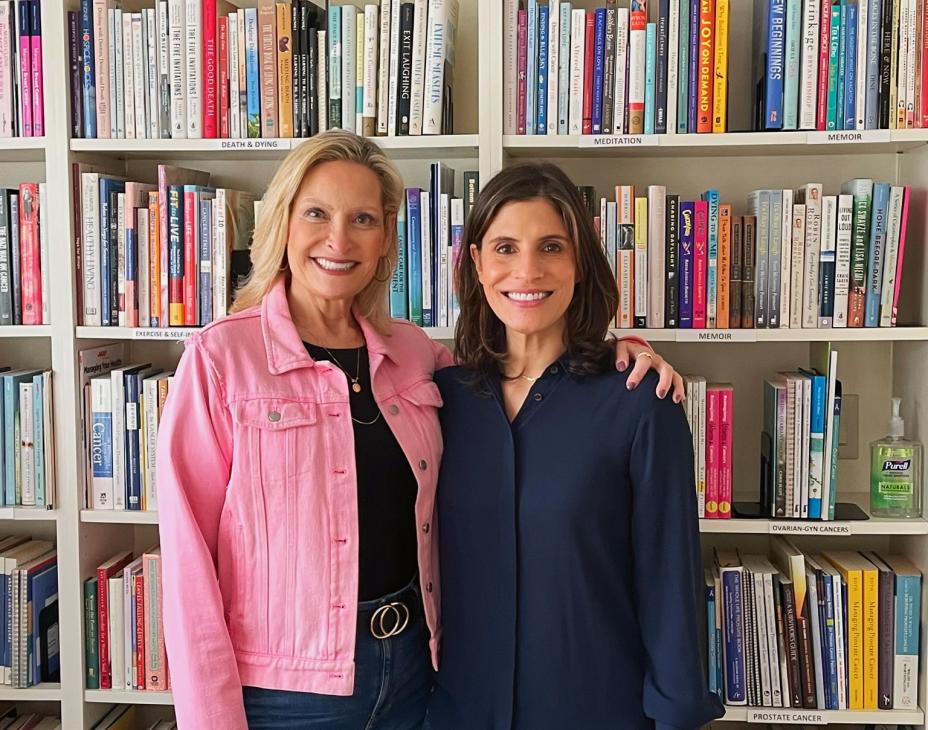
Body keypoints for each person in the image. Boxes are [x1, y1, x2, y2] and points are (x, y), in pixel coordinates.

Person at [156, 130, 683, 730]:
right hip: (285, 696)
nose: (338, 239)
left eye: (362, 218)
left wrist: (620, 352)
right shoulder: (222, 359)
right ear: (283, 222)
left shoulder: (411, 354)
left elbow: (526, 369)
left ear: (385, 239)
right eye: (317, 213)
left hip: (415, 672)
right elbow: (187, 566)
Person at [426, 162, 725, 729]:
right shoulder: (441, 402)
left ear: (580, 263)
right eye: (506, 248)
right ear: (477, 264)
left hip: (597, 708)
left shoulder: (641, 400)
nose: (528, 270)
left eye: (551, 247)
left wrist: (678, 715)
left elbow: (670, 586)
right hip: (461, 711)